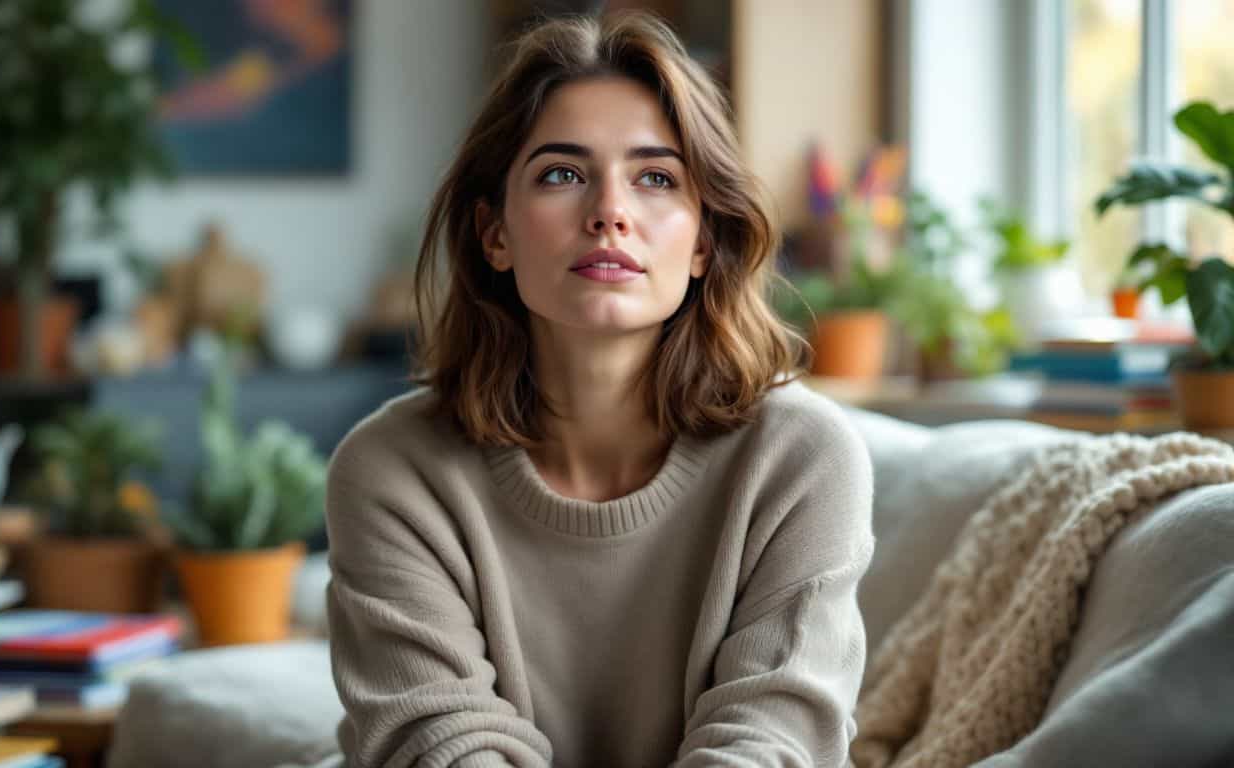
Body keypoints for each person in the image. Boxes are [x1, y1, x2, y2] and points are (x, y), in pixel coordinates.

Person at [324, 11, 873, 767]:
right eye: (562, 174)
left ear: (704, 241)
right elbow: (440, 748)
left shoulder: (803, 457)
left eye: (655, 178)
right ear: (496, 235)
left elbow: (771, 742)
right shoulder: (391, 468)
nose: (609, 212)